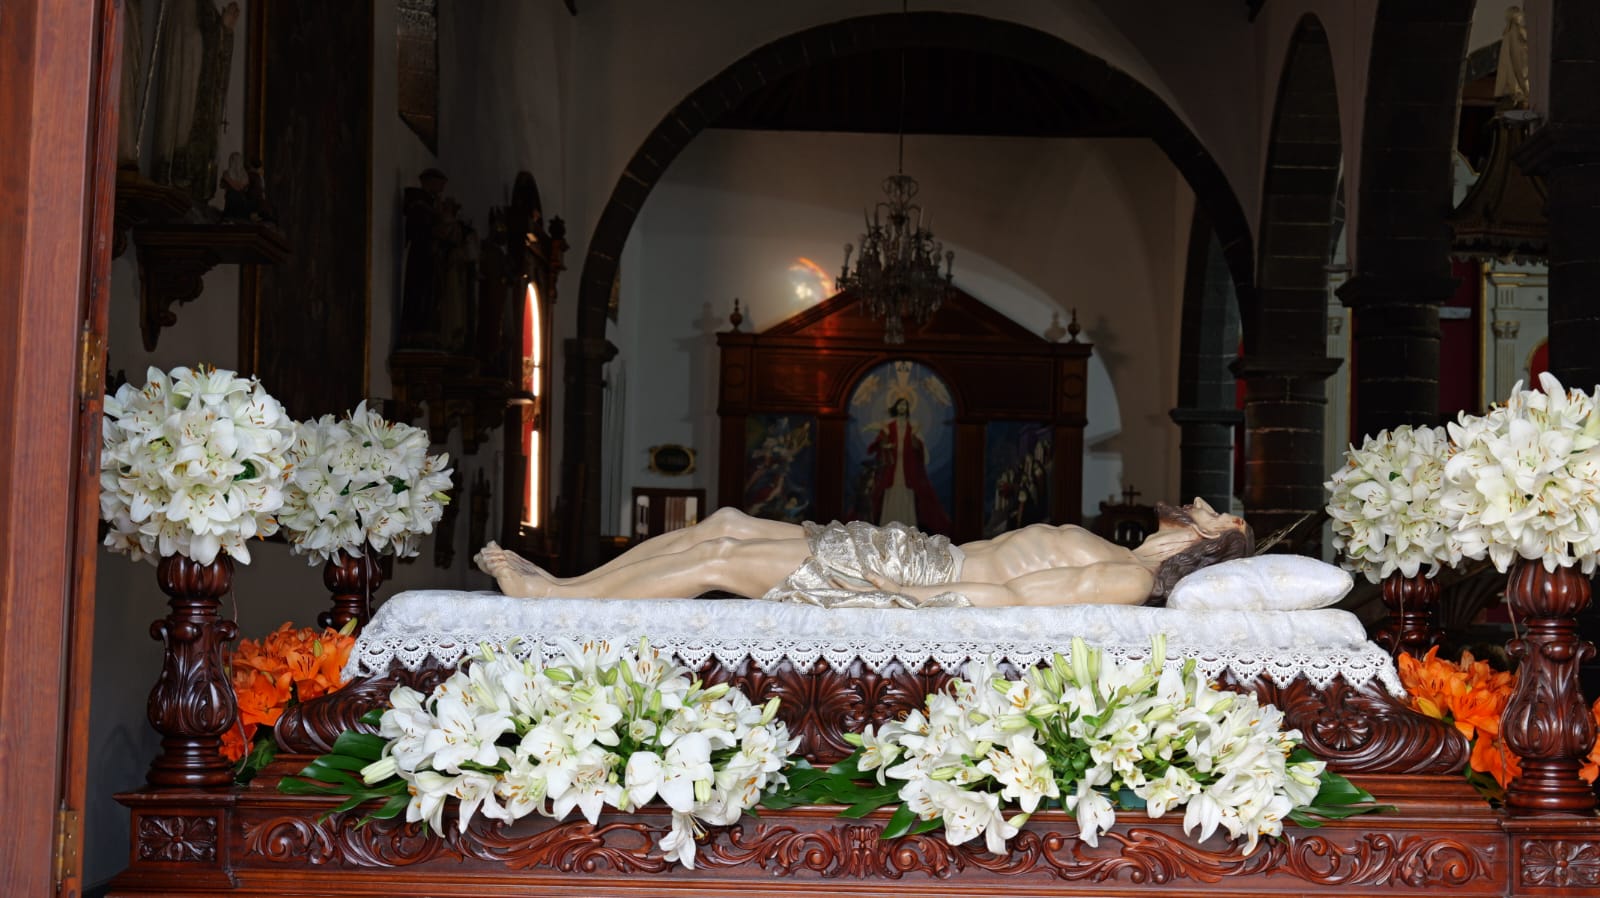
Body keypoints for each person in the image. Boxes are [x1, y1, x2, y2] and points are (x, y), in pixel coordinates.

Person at [474, 498, 1253, 609]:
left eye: (1208, 515)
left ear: (1205, 544)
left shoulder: (1125, 575)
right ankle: (570, 581)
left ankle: (558, 600)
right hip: (909, 550)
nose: (1191, 507)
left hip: (906, 575)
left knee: (718, 563)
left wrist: (900, 593)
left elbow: (1012, 603)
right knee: (723, 523)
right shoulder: (1119, 550)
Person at [862, 396, 952, 533]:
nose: (902, 407)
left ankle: (908, 527)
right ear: (896, 407)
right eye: (900, 405)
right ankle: (887, 527)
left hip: (907, 467)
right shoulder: (889, 426)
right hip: (892, 466)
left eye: (905, 405)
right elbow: (879, 444)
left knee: (906, 494)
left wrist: (915, 441)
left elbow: (919, 448)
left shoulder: (913, 427)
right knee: (890, 493)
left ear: (908, 408)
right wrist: (885, 445)